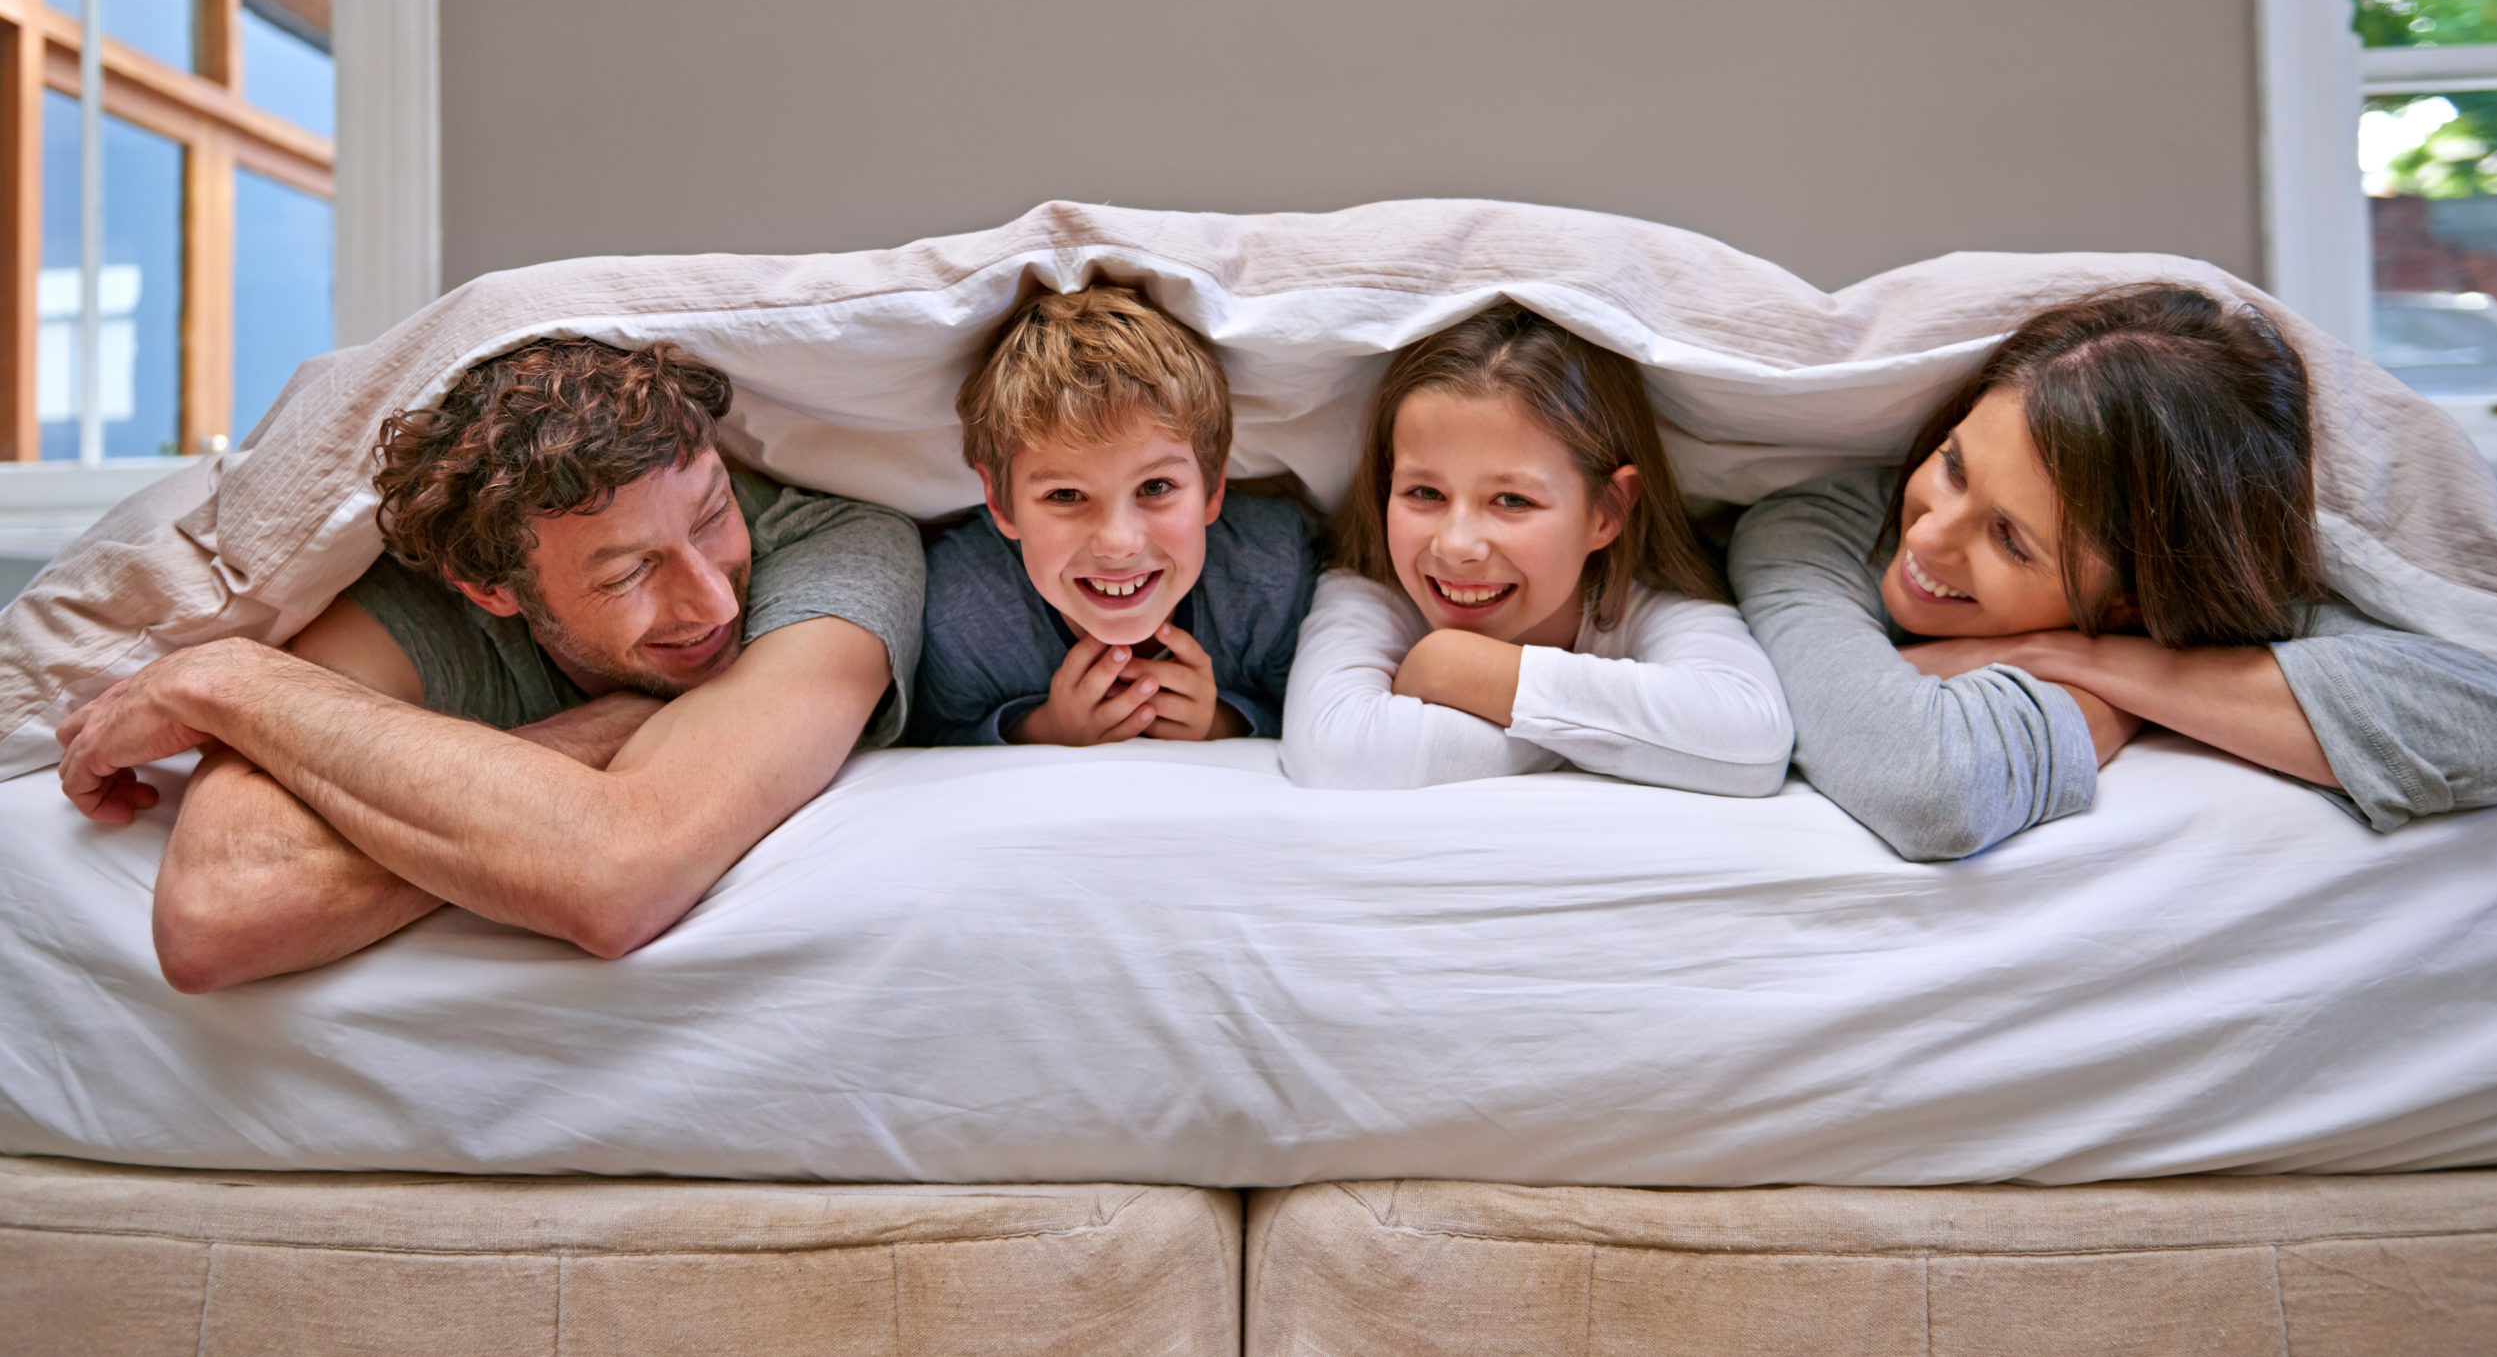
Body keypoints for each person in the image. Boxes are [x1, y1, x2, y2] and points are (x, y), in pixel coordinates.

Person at [54, 337, 926, 990]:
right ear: (490, 587)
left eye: (709, 518)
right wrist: (237, 676)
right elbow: (218, 917)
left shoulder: (834, 545)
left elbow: (618, 879)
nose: (717, 603)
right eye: (629, 571)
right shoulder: (420, 615)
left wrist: (232, 685)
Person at [1727, 284, 2497, 861]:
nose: (1933, 540)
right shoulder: (1815, 527)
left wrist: (2086, 665)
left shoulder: (2166, 603)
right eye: (1952, 466)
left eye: (2012, 541)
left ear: (2130, 598)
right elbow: (1932, 786)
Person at [1281, 302, 1793, 793]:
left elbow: (1754, 743)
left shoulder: (1646, 602)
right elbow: (1335, 752)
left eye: (1511, 500)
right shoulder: (1374, 585)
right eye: (1425, 493)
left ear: (1608, 510)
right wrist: (1588, 742)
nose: (1456, 547)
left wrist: (1451, 663)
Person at [910, 284, 1318, 745]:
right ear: (1001, 504)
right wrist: (1042, 729)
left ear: (1212, 488)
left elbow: (1313, 717)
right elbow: (926, 736)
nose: (1118, 542)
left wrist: (1221, 722)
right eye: (1065, 495)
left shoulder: (1271, 573)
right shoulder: (964, 609)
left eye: (1156, 487)